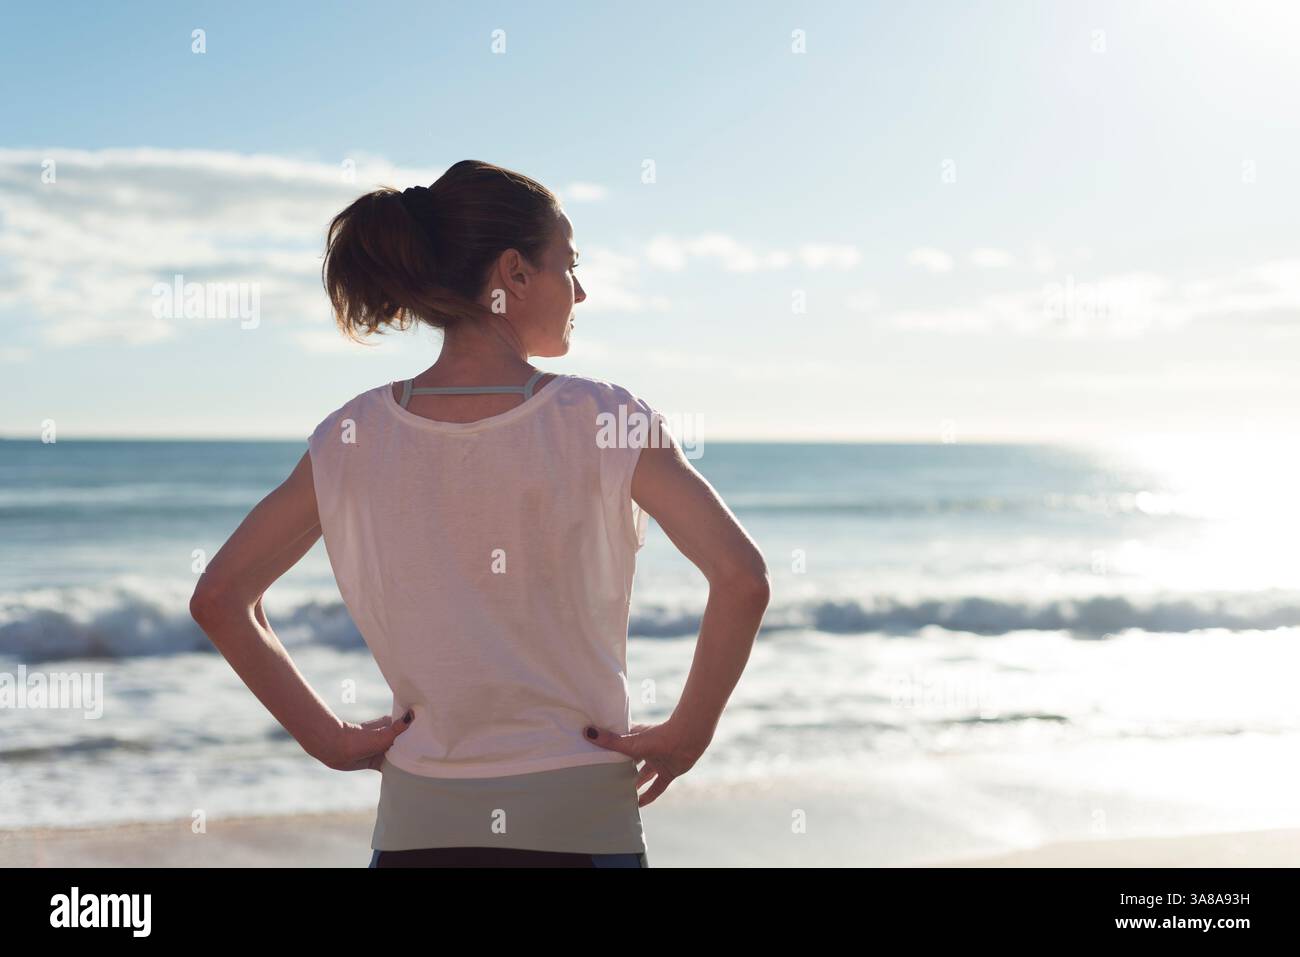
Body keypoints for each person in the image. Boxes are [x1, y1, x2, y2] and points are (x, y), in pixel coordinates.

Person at [189, 159, 771, 868]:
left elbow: (220, 597)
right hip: (580, 823)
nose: (580, 289)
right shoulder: (605, 418)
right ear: (514, 274)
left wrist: (331, 739)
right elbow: (742, 578)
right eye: (569, 263)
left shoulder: (351, 434)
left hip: (416, 829)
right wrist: (689, 732)